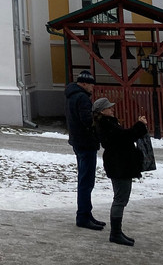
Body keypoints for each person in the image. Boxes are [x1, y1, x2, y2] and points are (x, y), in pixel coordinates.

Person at [92, 97, 149, 247]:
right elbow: (124, 137)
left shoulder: (108, 123)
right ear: (103, 111)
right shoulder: (106, 124)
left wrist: (138, 126)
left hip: (120, 164)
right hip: (119, 165)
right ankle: (115, 233)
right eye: (109, 108)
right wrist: (140, 125)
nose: (112, 109)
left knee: (121, 198)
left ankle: (117, 232)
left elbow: (123, 136)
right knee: (120, 199)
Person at [65, 69, 103, 231]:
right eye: (91, 85)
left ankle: (86, 214)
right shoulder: (83, 99)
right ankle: (83, 216)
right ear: (84, 83)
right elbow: (88, 121)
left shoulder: (71, 96)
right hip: (86, 143)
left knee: (84, 180)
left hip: (77, 142)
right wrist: (99, 122)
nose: (92, 88)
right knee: (86, 182)